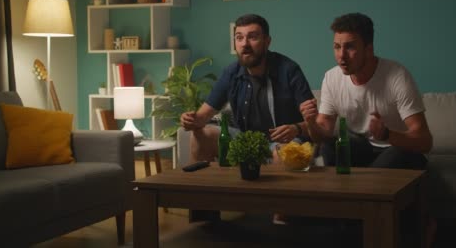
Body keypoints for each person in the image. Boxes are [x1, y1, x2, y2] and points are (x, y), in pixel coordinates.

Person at [181, 14, 314, 225]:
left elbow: (314, 123)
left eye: (252, 37)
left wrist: (296, 127)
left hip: (283, 140)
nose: (245, 44)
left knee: (283, 152)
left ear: (267, 41)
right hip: (245, 139)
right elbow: (203, 116)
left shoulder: (289, 69)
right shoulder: (231, 72)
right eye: (239, 37)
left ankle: (281, 216)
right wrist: (191, 119)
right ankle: (204, 212)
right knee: (202, 135)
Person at [300, 12, 432, 168]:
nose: (341, 56)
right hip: (363, 149)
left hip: (397, 148)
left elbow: (425, 141)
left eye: (349, 47)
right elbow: (322, 135)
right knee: (330, 148)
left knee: (391, 159)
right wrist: (311, 123)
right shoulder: (331, 77)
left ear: (369, 49)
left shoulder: (397, 76)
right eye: (337, 47)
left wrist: (386, 134)